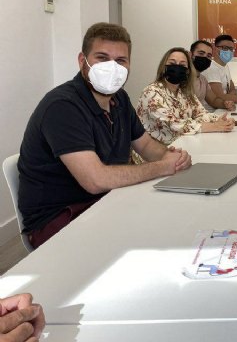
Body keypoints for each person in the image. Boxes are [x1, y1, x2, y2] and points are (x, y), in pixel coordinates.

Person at [18, 23, 192, 249]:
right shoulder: (62, 106)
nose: (113, 67)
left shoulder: (119, 99)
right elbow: (95, 180)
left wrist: (172, 157)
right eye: (102, 57)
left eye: (121, 61)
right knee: (154, 237)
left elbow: (146, 145)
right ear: (83, 61)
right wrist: (162, 167)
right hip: (60, 220)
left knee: (176, 220)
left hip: (106, 202)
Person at [135, 47, 235, 152]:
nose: (177, 67)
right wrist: (215, 127)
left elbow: (200, 113)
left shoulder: (185, 92)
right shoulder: (151, 92)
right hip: (153, 154)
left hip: (182, 146)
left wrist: (220, 120)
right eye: (172, 63)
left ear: (187, 71)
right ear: (163, 67)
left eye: (182, 65)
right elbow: (174, 124)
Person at [204, 34, 237, 104]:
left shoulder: (225, 66)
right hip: (213, 111)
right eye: (225, 48)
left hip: (226, 107)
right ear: (215, 48)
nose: (228, 51)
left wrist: (229, 97)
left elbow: (233, 90)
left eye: (231, 49)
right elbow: (219, 97)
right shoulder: (211, 68)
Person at [189, 40, 235, 111]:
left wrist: (225, 104)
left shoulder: (202, 79)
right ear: (190, 55)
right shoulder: (183, 78)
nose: (205, 57)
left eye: (208, 55)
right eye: (201, 53)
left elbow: (213, 100)